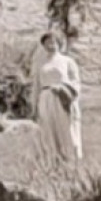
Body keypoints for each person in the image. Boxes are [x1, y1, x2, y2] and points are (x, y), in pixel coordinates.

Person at [31, 31, 83, 162]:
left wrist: (65, 90)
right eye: (47, 42)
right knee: (49, 131)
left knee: (66, 129)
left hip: (62, 98)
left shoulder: (67, 61)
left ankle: (72, 159)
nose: (51, 45)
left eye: (53, 42)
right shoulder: (40, 64)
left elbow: (75, 81)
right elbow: (36, 85)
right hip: (45, 99)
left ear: (59, 43)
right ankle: (54, 161)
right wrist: (34, 105)